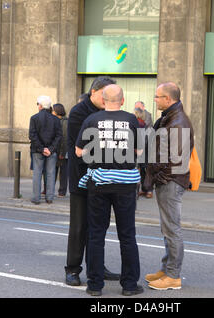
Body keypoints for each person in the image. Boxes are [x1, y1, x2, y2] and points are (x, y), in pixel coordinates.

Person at [75, 84, 143, 296]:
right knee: (127, 235)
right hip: (125, 184)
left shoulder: (92, 120)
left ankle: (95, 286)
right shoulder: (132, 120)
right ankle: (130, 286)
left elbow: (78, 152)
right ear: (122, 100)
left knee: (96, 234)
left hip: (99, 183)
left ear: (103, 101)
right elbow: (139, 151)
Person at [65, 76, 120, 286]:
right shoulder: (79, 112)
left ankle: (97, 267)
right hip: (82, 178)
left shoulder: (107, 112)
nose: (108, 100)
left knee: (99, 226)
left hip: (103, 178)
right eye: (105, 96)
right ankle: (72, 269)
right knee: (79, 227)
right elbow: (83, 148)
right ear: (94, 92)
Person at [144, 82, 194, 291]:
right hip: (168, 180)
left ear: (168, 99)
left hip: (171, 182)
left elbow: (175, 159)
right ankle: (167, 268)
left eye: (157, 96)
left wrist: (159, 177)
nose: (154, 100)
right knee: (167, 227)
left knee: (172, 228)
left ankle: (173, 275)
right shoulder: (170, 117)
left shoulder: (177, 122)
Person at [29, 95, 61, 205]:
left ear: (41, 106)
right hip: (51, 151)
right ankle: (49, 198)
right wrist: (50, 149)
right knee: (51, 174)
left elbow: (32, 136)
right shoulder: (56, 119)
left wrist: (42, 149)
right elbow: (58, 136)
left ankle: (36, 198)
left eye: (37, 104)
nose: (37, 106)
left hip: (37, 150)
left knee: (37, 173)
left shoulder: (34, 118)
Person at [134, 103, 153, 198]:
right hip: (139, 146)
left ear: (143, 107)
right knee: (141, 169)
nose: (136, 107)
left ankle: (149, 190)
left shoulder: (148, 116)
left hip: (146, 146)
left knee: (147, 169)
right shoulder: (136, 118)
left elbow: (147, 131)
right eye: (136, 106)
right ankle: (144, 189)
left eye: (138, 106)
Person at [53, 103, 69, 197]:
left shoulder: (65, 122)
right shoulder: (56, 120)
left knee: (63, 172)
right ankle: (49, 189)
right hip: (57, 150)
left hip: (63, 151)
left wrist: (62, 152)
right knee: (53, 171)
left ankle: (62, 191)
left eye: (53, 110)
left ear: (56, 111)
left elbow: (64, 138)